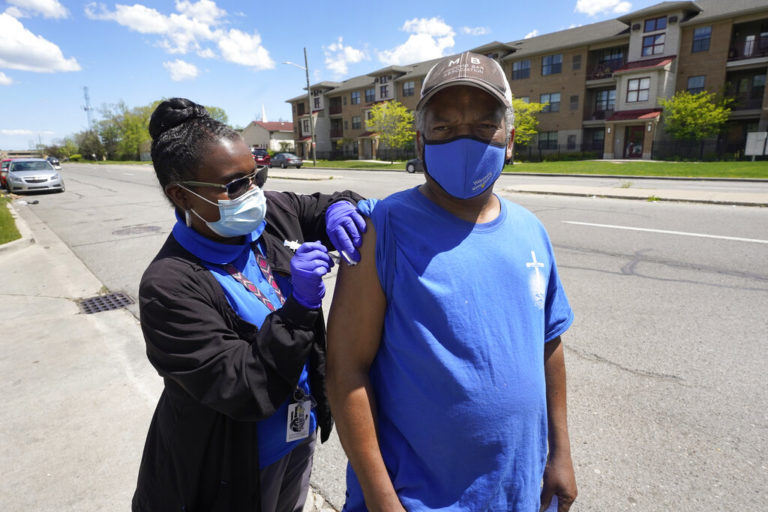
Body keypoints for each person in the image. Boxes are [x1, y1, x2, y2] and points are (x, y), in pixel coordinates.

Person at [326, 52, 577, 511]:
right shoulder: (382, 231)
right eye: (444, 128)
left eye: (483, 126)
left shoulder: (530, 231)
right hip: (415, 499)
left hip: (515, 491)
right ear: (420, 143)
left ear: (510, 139)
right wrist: (383, 502)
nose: (464, 139)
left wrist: (560, 452)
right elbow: (345, 371)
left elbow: (549, 341)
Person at [132, 98, 366, 511]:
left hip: (296, 438)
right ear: (181, 196)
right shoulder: (168, 286)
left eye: (256, 174)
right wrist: (298, 309)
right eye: (235, 184)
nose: (254, 192)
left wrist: (340, 208)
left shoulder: (270, 215)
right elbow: (242, 387)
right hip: (231, 468)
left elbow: (323, 203)